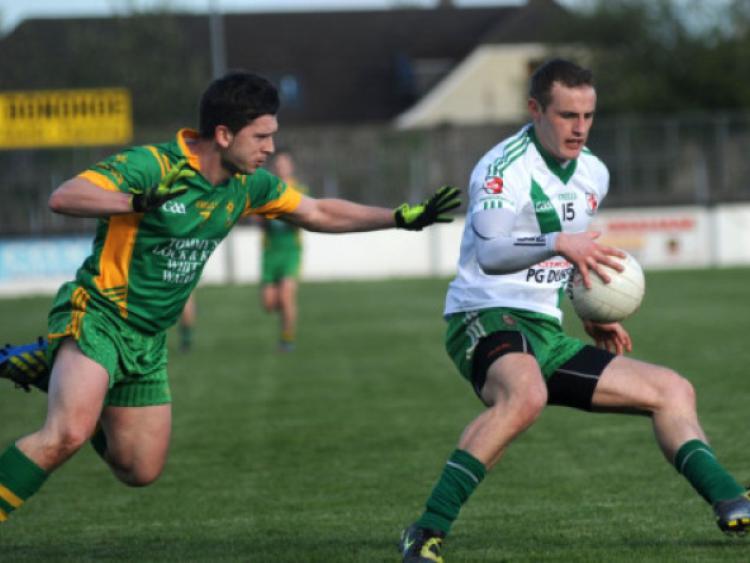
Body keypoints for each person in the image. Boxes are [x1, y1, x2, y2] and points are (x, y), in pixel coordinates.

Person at [0, 70, 461, 523]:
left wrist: (399, 217)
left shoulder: (248, 185)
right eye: (261, 136)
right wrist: (134, 202)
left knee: (140, 469)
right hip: (99, 315)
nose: (271, 148)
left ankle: (50, 368)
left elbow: (318, 211)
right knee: (66, 434)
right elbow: (65, 196)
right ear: (223, 134)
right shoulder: (154, 166)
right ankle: (67, 370)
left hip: (149, 340)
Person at [398, 59, 750, 563]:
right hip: (485, 315)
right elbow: (495, 254)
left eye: (588, 115)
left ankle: (730, 500)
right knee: (525, 395)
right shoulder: (501, 170)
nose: (580, 128)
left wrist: (583, 304)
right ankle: (425, 531)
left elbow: (566, 254)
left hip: (544, 328)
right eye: (567, 115)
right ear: (535, 110)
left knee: (672, 390)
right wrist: (557, 241)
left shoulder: (594, 173)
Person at [259, 149, 308, 352]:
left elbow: (306, 217)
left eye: (284, 163)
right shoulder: (265, 189)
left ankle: (287, 338)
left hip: (290, 249)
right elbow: (258, 218)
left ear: (291, 166)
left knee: (287, 297)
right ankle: (284, 310)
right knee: (269, 304)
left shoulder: (300, 190)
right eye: (277, 164)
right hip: (270, 251)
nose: (281, 167)